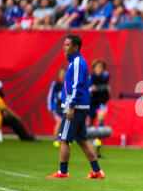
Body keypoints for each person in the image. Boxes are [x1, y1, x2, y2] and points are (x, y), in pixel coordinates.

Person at [47, 35, 105, 179]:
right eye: (64, 45)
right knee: (82, 140)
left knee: (64, 140)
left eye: (67, 45)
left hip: (76, 106)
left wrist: (71, 106)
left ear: (76, 47)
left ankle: (63, 172)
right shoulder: (75, 62)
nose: (64, 48)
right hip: (81, 106)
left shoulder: (78, 62)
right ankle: (97, 171)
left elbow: (77, 86)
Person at [47, 67, 66, 147]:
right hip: (57, 108)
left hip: (66, 108)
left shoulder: (69, 85)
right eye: (61, 73)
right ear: (58, 75)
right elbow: (50, 96)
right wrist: (50, 108)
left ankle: (63, 139)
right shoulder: (55, 85)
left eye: (64, 73)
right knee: (59, 122)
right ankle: (55, 139)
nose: (63, 75)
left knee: (65, 123)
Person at [89, 59, 110, 127]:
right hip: (91, 103)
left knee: (101, 120)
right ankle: (90, 137)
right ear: (94, 68)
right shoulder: (90, 78)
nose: (99, 69)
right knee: (90, 122)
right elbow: (87, 89)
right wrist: (91, 89)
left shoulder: (105, 76)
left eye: (101, 67)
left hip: (101, 102)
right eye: (97, 67)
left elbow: (106, 86)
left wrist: (97, 88)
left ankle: (99, 137)